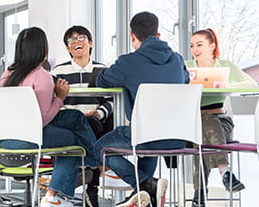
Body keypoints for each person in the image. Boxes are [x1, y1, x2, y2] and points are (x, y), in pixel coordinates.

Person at [94, 11, 190, 207]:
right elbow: (186, 81)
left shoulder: (128, 62)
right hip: (179, 137)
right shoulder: (178, 60)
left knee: (98, 148)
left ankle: (144, 185)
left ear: (132, 36)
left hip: (145, 135)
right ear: (158, 35)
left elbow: (101, 80)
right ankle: (146, 193)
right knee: (148, 145)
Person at [0, 27, 98, 207]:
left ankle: (89, 167)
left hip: (4, 139)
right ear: (43, 49)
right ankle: (58, 193)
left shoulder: (7, 74)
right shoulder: (41, 76)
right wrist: (60, 97)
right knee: (72, 140)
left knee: (75, 117)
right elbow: (43, 119)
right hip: (29, 137)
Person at [186, 28, 258, 207]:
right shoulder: (187, 67)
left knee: (202, 138)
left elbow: (251, 83)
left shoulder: (224, 66)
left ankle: (200, 193)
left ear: (212, 46)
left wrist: (225, 82)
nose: (195, 49)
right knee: (202, 130)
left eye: (199, 44)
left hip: (221, 123)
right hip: (194, 125)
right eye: (192, 45)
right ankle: (225, 171)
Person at [51, 25, 114, 207]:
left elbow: (111, 100)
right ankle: (94, 170)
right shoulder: (57, 72)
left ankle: (88, 184)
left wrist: (99, 113)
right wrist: (71, 115)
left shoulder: (103, 69)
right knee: (77, 128)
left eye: (81, 38)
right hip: (68, 122)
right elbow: (54, 101)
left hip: (96, 120)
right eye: (71, 40)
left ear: (90, 43)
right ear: (67, 47)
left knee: (94, 125)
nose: (76, 42)